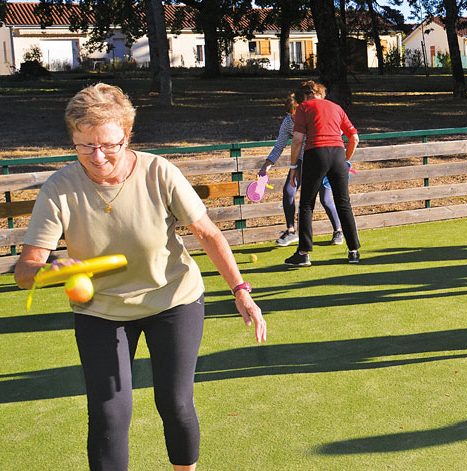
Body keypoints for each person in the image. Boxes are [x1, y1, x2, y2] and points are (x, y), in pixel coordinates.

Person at [13, 83, 267, 471]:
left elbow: (208, 234)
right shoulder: (59, 188)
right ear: (73, 140)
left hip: (173, 299)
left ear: (127, 135)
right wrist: (48, 271)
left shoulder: (158, 172)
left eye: (108, 145)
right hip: (101, 310)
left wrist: (241, 290)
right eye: (85, 146)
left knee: (174, 402)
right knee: (108, 414)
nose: (97, 156)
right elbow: (24, 272)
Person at [283, 80, 361, 267]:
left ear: (305, 96)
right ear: (321, 93)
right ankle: (354, 251)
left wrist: (293, 167)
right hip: (338, 154)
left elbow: (297, 140)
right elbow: (354, 138)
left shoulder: (304, 108)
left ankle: (303, 254)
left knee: (306, 204)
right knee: (343, 203)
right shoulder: (336, 107)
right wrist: (345, 160)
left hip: (316, 154)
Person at [257, 93, 344, 247]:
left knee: (325, 199)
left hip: (320, 158)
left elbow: (336, 131)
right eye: (291, 114)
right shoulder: (288, 122)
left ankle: (338, 231)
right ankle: (291, 231)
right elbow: (279, 146)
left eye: (296, 113)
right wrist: (266, 166)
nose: (294, 117)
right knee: (288, 191)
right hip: (301, 160)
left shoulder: (313, 116)